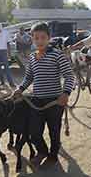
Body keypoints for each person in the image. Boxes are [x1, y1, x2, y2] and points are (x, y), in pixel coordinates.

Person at [12, 23, 74, 168]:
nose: (39, 41)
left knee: (54, 131)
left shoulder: (57, 55)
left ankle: (53, 156)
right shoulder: (32, 58)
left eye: (43, 38)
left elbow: (69, 76)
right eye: (36, 38)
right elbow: (28, 78)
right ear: (32, 39)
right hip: (37, 101)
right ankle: (42, 151)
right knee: (34, 132)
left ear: (49, 38)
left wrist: (65, 93)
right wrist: (20, 89)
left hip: (55, 102)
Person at [0, 22, 16, 88]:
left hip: (4, 51)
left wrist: (9, 53)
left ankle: (11, 83)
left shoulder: (5, 32)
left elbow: (8, 43)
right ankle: (2, 82)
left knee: (7, 68)